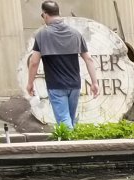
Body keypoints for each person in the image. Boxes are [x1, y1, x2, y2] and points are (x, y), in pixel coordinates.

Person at [27, 0, 98, 129]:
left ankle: (71, 146)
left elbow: (34, 62)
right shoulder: (76, 34)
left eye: (42, 16)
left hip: (56, 85)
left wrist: (30, 83)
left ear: (45, 14)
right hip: (75, 85)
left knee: (64, 122)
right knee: (70, 119)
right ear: (59, 13)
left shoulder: (42, 35)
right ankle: (74, 143)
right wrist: (95, 82)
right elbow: (89, 59)